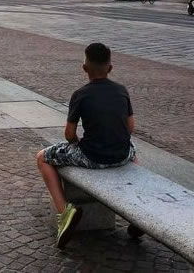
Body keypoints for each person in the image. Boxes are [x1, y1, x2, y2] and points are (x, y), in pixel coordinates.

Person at [36, 43, 136, 248]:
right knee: (133, 153)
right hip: (121, 154)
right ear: (110, 68)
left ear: (84, 68)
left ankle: (64, 212)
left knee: (42, 157)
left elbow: (70, 134)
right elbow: (130, 128)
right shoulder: (121, 91)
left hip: (91, 156)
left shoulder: (81, 94)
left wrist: (76, 144)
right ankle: (137, 212)